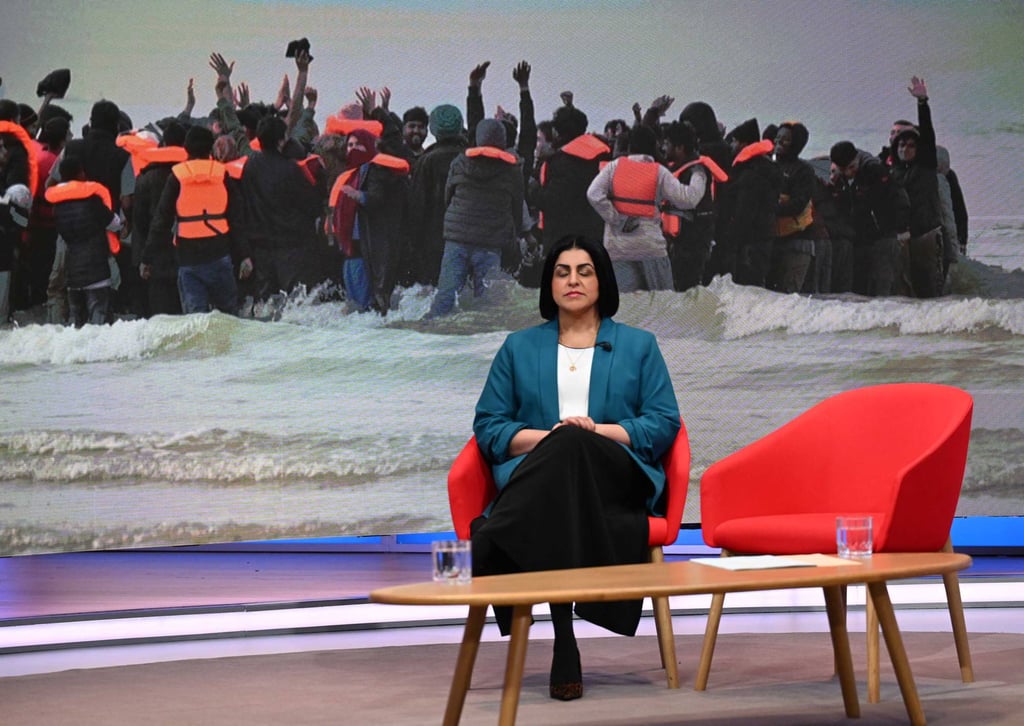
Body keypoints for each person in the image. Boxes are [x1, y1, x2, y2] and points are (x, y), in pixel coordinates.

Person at [471, 234, 680, 701]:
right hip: (541, 476)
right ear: (549, 284)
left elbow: (663, 423)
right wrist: (555, 439)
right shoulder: (518, 348)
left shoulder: (638, 346)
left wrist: (595, 433)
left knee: (572, 446)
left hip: (613, 472)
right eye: (562, 272)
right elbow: (489, 426)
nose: (573, 281)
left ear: (602, 280)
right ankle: (564, 640)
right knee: (563, 454)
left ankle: (492, 538)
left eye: (584, 271)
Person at [146, 125, 252, 314]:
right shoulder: (221, 173)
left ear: (186, 149)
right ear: (210, 149)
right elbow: (237, 218)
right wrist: (245, 256)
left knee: (196, 320)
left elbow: (161, 221)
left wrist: (147, 258)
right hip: (220, 254)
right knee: (229, 316)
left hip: (189, 258)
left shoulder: (177, 176)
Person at [586, 125, 705, 292]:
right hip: (650, 248)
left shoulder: (613, 167)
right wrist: (699, 175)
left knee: (625, 305)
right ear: (654, 147)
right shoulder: (659, 172)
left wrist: (618, 219)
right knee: (662, 303)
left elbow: (593, 194)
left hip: (618, 249)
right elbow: (688, 199)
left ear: (629, 147)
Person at [427, 118, 524, 318]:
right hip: (490, 241)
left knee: (446, 297)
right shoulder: (512, 170)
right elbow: (516, 207)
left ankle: (429, 336)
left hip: (457, 239)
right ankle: (482, 344)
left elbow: (448, 197)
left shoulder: (460, 162)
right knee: (486, 301)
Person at [44, 156, 122, 326]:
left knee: (77, 325)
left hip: (73, 273)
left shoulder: (58, 207)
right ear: (80, 173)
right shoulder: (92, 200)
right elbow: (114, 224)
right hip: (97, 270)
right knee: (100, 323)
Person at [828, 141, 910, 296]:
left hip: (884, 236)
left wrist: (900, 228)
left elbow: (897, 199)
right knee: (861, 287)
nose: (849, 173)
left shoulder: (874, 170)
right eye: (844, 170)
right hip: (862, 239)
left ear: (856, 160)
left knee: (882, 284)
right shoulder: (844, 177)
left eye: (851, 168)